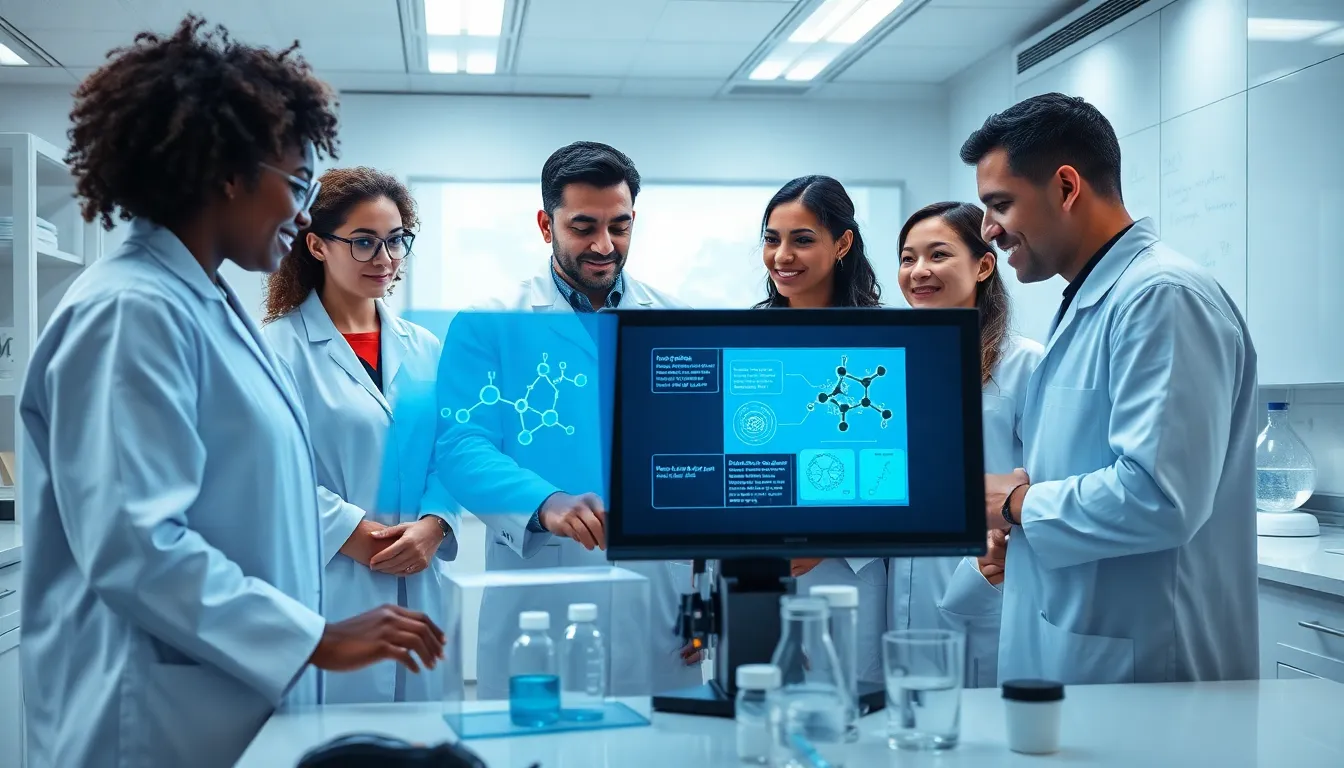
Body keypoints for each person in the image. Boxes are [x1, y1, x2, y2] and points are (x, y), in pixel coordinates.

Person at [17, 18, 443, 768]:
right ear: (228, 174)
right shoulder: (131, 311)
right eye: (298, 184)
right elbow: (136, 545)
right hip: (151, 718)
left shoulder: (204, 305)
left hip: (227, 700)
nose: (302, 215)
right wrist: (315, 638)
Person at [961, 92, 1258, 684]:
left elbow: (1160, 497)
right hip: (1084, 646)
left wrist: (1018, 504)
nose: (988, 229)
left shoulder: (1162, 297)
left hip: (1148, 665)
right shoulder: (1094, 299)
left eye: (1000, 205)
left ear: (1066, 187)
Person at [434, 141, 703, 697]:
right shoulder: (487, 324)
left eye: (620, 226)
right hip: (542, 594)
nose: (604, 245)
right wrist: (544, 501)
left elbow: (702, 460)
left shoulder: (678, 321)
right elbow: (462, 446)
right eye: (584, 227)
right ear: (545, 224)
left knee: (665, 739)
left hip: (660, 602)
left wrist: (705, 598)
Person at [262, 167, 460, 704]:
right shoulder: (276, 350)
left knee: (423, 737)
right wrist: (351, 532)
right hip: (331, 582)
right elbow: (265, 473)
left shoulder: (424, 347)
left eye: (396, 240)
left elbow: (451, 452)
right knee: (336, 734)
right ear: (317, 246)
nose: (385, 258)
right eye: (364, 242)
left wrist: (436, 524)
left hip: (420, 581)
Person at [894, 201, 1044, 688]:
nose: (919, 271)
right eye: (907, 258)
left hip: (988, 580)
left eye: (938, 255)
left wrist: (991, 559)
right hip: (903, 588)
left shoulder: (1024, 365)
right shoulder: (890, 363)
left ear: (983, 266)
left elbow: (1045, 482)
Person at [753, 175, 890, 685]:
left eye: (802, 239)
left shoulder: (884, 341)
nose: (782, 256)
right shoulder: (745, 337)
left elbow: (895, 467)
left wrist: (828, 540)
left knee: (848, 711)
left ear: (842, 243)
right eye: (772, 239)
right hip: (761, 569)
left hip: (847, 575)